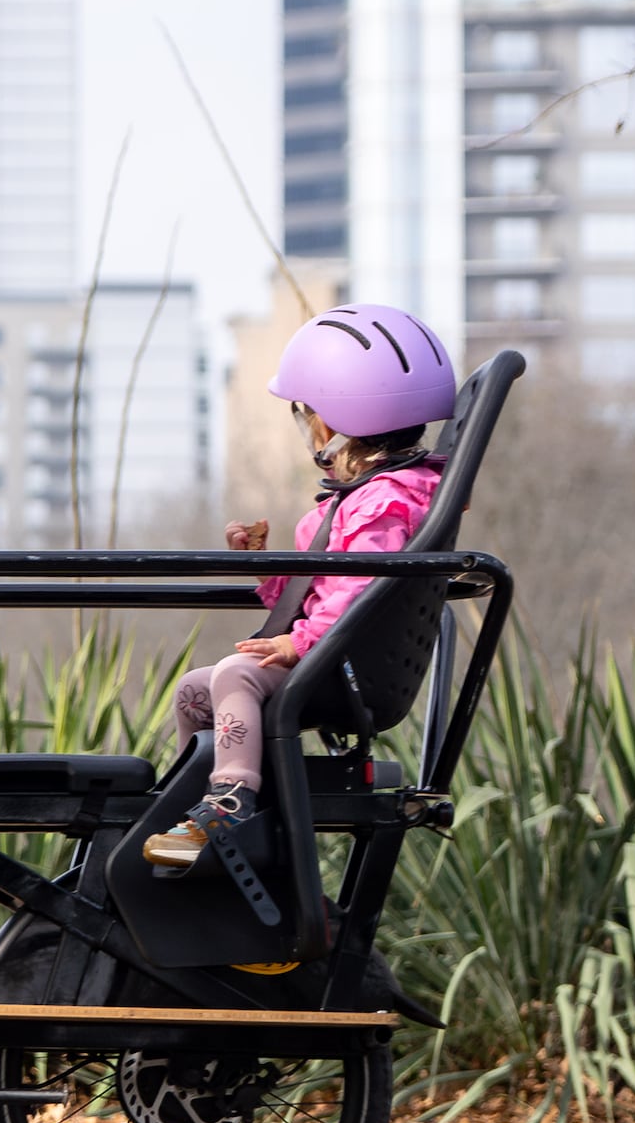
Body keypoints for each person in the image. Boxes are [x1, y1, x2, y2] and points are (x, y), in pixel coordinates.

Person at [139, 305, 458, 914]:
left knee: (234, 674)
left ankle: (229, 802)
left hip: (342, 666)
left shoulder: (383, 504)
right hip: (329, 655)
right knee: (194, 692)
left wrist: (300, 644)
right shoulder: (356, 500)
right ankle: (189, 810)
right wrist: (265, 565)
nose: (307, 426)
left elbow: (360, 590)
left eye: (307, 413)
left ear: (339, 419)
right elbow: (321, 587)